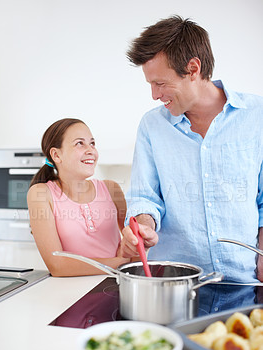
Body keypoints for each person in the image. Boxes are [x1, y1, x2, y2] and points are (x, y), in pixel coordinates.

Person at [119, 15, 263, 283]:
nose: (154, 94)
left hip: (243, 283)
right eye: (150, 84)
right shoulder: (152, 125)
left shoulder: (257, 116)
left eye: (160, 83)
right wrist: (144, 227)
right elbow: (144, 197)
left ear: (193, 68)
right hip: (174, 285)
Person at [27, 118, 129, 276]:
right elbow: (58, 266)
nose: (91, 150)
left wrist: (133, 250)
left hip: (115, 285)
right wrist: (120, 263)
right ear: (56, 155)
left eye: (92, 143)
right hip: (69, 294)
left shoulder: (110, 188)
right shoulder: (41, 194)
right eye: (80, 143)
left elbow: (135, 248)